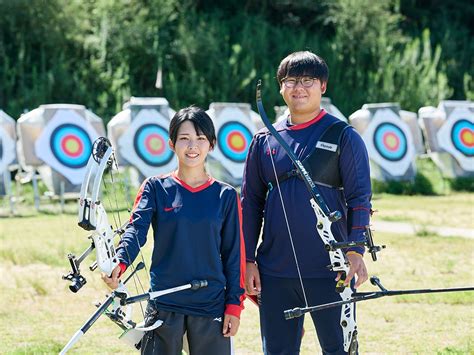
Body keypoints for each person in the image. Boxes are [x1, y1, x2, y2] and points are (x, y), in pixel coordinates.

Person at [242, 51, 372, 354]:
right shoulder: (263, 139)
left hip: (332, 270)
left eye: (307, 80)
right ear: (280, 88)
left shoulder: (344, 136)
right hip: (275, 271)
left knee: (339, 350)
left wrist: (355, 250)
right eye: (290, 81)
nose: (298, 88)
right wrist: (248, 260)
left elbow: (360, 198)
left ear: (323, 86)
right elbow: (250, 204)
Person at [103, 106, 246, 355]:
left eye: (201, 139)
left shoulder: (225, 195)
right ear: (171, 143)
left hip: (210, 304)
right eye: (184, 139)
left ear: (211, 144)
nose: (193, 146)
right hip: (165, 303)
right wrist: (120, 262)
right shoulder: (155, 187)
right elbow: (136, 230)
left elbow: (234, 255)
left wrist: (234, 305)